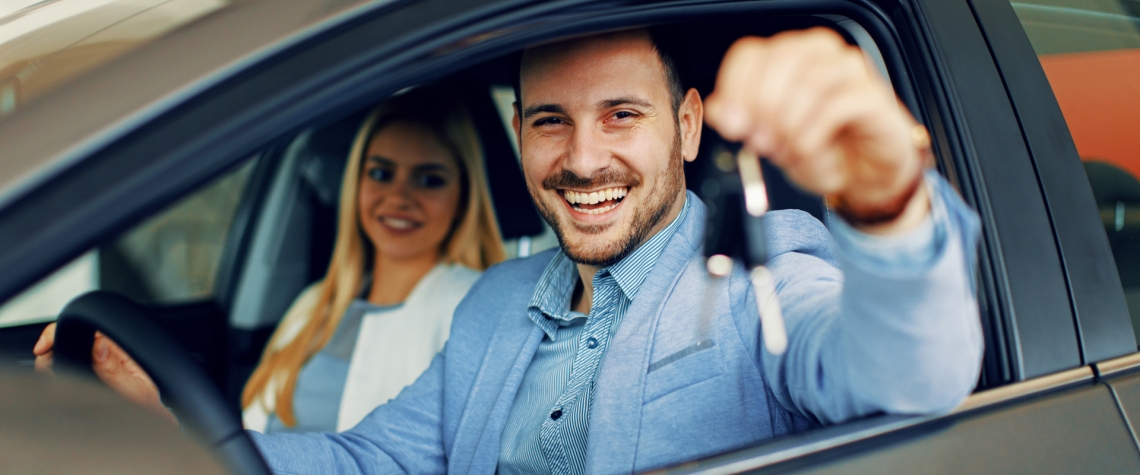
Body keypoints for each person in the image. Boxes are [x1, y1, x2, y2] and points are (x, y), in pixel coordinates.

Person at [38, 26, 984, 474]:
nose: (581, 159)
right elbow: (373, 463)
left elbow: (910, 372)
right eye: (548, 122)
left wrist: (889, 201)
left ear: (689, 126)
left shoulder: (770, 266)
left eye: (622, 115)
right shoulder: (494, 304)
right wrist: (170, 439)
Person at [34, 84, 507, 435]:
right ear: (355, 185)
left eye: (429, 179)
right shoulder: (313, 305)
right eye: (380, 173)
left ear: (465, 196)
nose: (398, 197)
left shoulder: (470, 308)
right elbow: (246, 444)